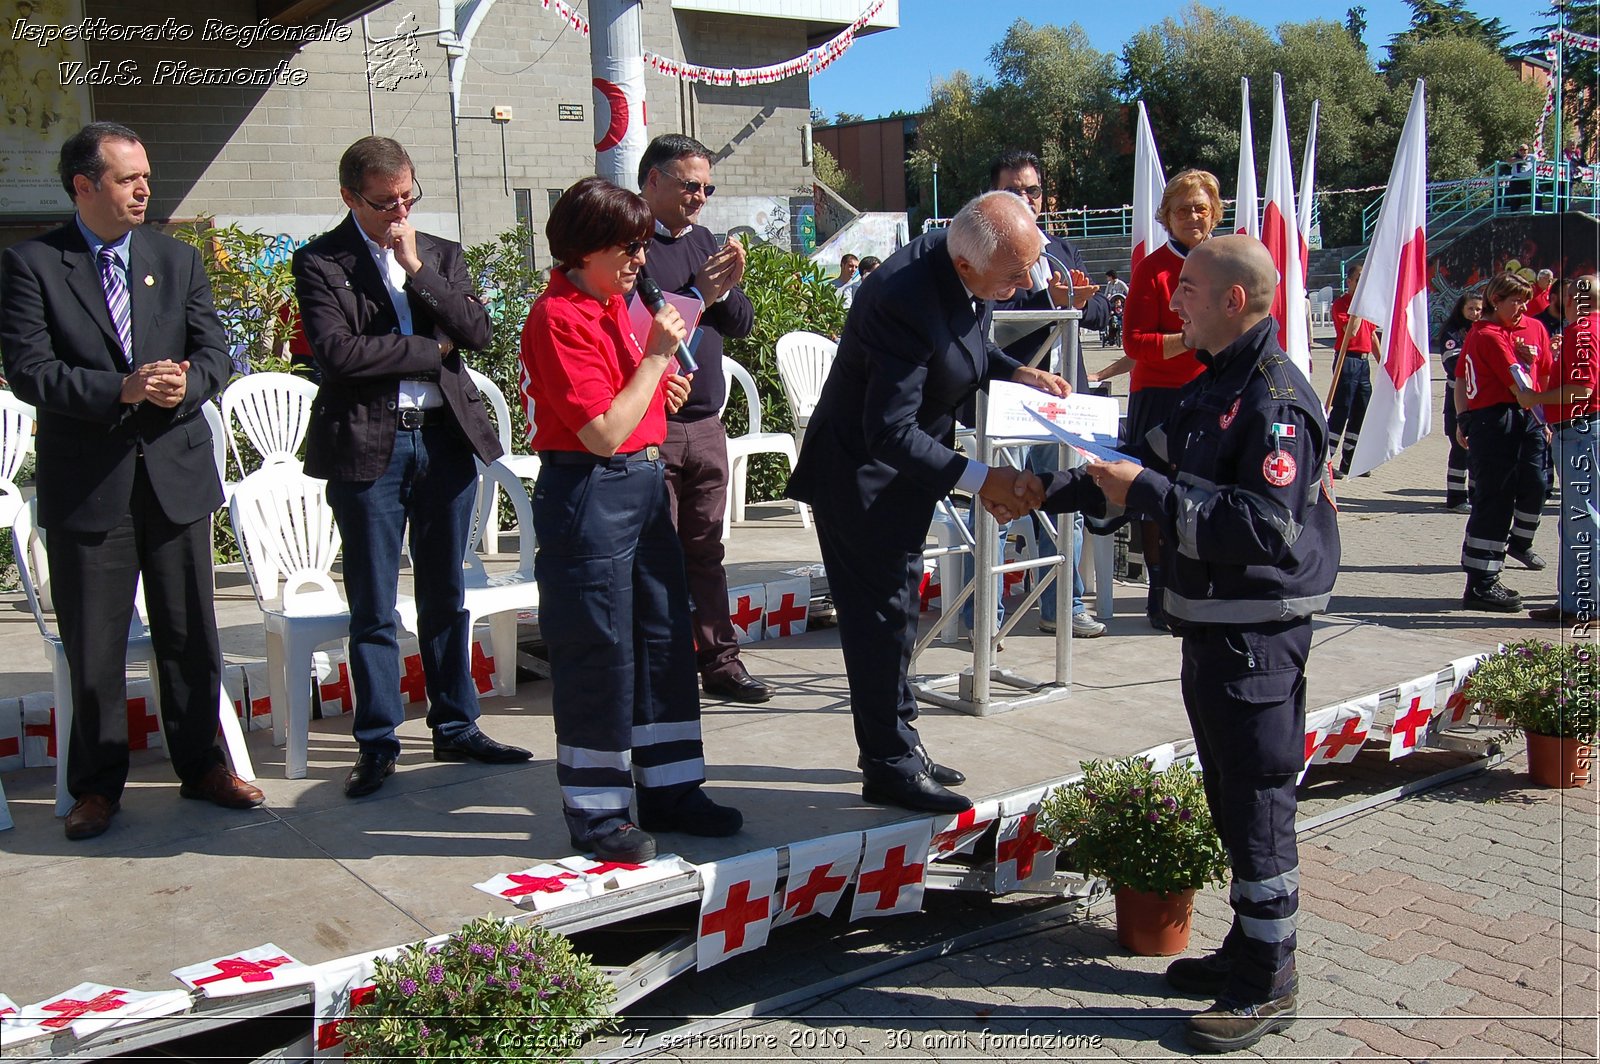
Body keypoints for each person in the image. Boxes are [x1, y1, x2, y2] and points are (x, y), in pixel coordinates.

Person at [1002, 235, 1338, 1055]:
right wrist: (1051, 488)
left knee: (1258, 801)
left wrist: (1146, 491)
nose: (1170, 301)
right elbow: (1136, 462)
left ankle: (1270, 980)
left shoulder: (1273, 398)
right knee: (1231, 795)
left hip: (1255, 635)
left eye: (1188, 289)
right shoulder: (1214, 380)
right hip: (1216, 634)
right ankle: (1248, 949)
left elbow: (1262, 526)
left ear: (1236, 300)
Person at [0, 122, 264, 840]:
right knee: (96, 646)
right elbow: (29, 370)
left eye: (145, 174)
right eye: (126, 178)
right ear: (84, 186)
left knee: (190, 637)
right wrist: (120, 388)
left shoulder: (174, 259)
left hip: (175, 475)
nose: (143, 188)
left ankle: (204, 765)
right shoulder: (32, 265)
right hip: (92, 482)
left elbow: (215, 350)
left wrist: (188, 384)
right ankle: (95, 788)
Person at [785, 191, 1072, 815]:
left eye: (1031, 266)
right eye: (1013, 274)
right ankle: (888, 764)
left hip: (903, 477)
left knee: (897, 620)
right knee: (880, 623)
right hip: (863, 481)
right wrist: (980, 479)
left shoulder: (960, 267)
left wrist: (1017, 372)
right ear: (967, 265)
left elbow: (960, 342)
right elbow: (887, 431)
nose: (1026, 284)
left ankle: (900, 742)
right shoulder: (902, 297)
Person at [293, 136, 531, 798]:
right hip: (370, 445)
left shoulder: (440, 254)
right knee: (372, 601)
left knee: (444, 596)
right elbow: (338, 356)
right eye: (383, 201)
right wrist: (429, 349)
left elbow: (478, 333)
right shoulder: (321, 262)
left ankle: (455, 724)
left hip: (443, 442)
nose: (399, 210)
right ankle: (377, 739)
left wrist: (416, 269)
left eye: (408, 196)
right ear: (349, 197)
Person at [520, 177, 742, 862]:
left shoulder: (614, 302)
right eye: (628, 248)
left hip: (643, 487)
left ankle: (672, 787)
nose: (640, 261)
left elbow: (634, 404)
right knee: (599, 650)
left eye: (642, 247)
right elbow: (600, 432)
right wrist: (653, 361)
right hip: (589, 491)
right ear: (585, 250)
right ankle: (598, 813)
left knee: (661, 639)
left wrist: (658, 386)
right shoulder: (558, 317)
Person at [636, 135, 770, 705]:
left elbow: (738, 322)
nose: (700, 197)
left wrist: (728, 284)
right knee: (658, 552)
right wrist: (699, 292)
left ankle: (721, 662)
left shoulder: (705, 241)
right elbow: (649, 323)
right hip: (653, 425)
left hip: (706, 425)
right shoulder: (630, 246)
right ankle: (663, 665)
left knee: (705, 550)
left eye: (708, 188)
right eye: (690, 185)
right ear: (653, 182)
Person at [985, 149, 1109, 640]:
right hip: (1013, 398)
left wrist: (1081, 301)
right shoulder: (986, 253)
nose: (1025, 198)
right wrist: (1046, 299)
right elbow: (993, 326)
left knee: (1065, 507)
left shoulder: (1061, 250)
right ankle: (986, 617)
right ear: (993, 195)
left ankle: (1064, 606)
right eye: (1013, 190)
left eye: (1032, 190)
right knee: (996, 504)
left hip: (1063, 400)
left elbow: (1098, 317)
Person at [1120, 169, 1222, 629]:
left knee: (1210, 494)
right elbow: (1133, 343)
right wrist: (1188, 338)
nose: (1193, 217)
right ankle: (1160, 591)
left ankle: (1200, 586)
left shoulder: (1228, 262)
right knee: (1158, 499)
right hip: (1161, 396)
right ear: (1166, 216)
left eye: (1201, 208)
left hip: (1217, 393)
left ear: (1215, 212)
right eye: (1183, 210)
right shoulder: (1152, 268)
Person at [1456, 271, 1554, 612]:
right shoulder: (1490, 336)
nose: (1523, 308)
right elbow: (1521, 392)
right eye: (1516, 301)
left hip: (1508, 418)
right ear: (1496, 301)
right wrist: (1563, 400)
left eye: (1526, 301)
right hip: (1497, 420)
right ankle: (1481, 583)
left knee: (1524, 487)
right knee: (1494, 500)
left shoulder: (1493, 334)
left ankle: (1490, 571)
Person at [1528, 274, 1598, 622]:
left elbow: (1582, 390)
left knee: (1581, 520)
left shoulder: (1582, 332)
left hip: (1581, 431)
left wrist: (1535, 397)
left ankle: (1582, 604)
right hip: (1585, 431)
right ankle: (1577, 599)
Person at [1328, 262, 1379, 477]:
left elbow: (1372, 334)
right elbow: (1352, 332)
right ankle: (1327, 459)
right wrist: (1358, 306)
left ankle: (1350, 460)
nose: (1361, 284)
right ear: (1349, 282)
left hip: (1363, 362)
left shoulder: (1367, 307)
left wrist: (1382, 361)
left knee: (1361, 410)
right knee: (1342, 409)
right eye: (1358, 280)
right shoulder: (1342, 304)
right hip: (1346, 360)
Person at [1438, 290, 1483, 511]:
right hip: (1457, 398)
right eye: (1471, 309)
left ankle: (1476, 495)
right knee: (1459, 448)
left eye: (1479, 309)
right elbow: (1454, 366)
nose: (1475, 313)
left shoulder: (1485, 330)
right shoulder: (1452, 333)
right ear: (1461, 309)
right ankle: (1456, 497)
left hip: (1480, 399)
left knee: (1478, 449)